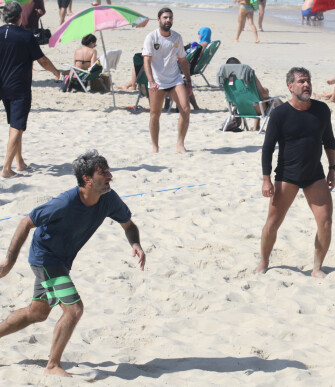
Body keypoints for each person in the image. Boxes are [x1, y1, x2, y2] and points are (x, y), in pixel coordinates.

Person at [0, 150, 146, 377]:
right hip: (46, 258)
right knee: (74, 309)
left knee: (37, 313)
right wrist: (9, 261)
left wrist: (135, 244)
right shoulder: (65, 203)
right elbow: (25, 222)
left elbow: (128, 225)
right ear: (87, 179)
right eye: (103, 172)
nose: (110, 176)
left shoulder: (108, 199)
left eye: (108, 170)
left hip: (60, 261)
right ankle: (52, 366)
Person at [258, 67, 335, 278]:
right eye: (301, 81)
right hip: (286, 176)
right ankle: (264, 261)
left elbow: (329, 140)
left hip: (315, 175)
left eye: (308, 80)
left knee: (326, 223)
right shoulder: (279, 113)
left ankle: (317, 268)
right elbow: (267, 148)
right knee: (272, 224)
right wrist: (267, 180)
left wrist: (332, 169)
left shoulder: (321, 110)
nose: (306, 84)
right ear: (290, 87)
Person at [0, 2, 60, 179]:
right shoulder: (26, 36)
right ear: (19, 16)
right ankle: (6, 169)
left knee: (14, 124)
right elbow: (42, 60)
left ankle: (19, 162)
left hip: (3, 86)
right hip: (19, 87)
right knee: (17, 127)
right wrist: (56, 72)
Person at [142, 8, 192, 154]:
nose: (168, 20)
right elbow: (146, 60)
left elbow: (183, 60)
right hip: (157, 81)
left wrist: (188, 82)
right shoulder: (151, 37)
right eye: (165, 18)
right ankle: (155, 146)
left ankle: (180, 144)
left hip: (175, 79)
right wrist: (151, 81)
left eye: (170, 18)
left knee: (186, 109)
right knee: (155, 114)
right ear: (159, 20)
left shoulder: (177, 37)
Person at [225, 57, 282, 131]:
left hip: (240, 109)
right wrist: (266, 92)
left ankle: (256, 127)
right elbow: (264, 94)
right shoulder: (249, 74)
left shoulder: (227, 79)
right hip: (257, 109)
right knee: (275, 100)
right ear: (240, 63)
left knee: (254, 98)